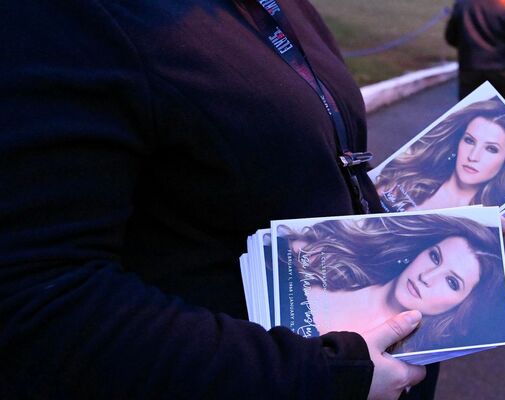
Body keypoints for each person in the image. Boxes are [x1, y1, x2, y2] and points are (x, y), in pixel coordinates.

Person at [0, 1, 432, 399]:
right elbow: (39, 304)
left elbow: (304, 164)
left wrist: (409, 215)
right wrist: (325, 375)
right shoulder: (62, 18)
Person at [278, 214, 505, 354]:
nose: (427, 277)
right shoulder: (332, 253)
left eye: (452, 282)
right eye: (435, 257)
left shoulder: (400, 369)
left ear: (462, 306)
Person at [374, 97, 505, 211]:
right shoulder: (407, 178)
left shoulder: (485, 221)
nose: (473, 156)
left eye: (491, 149)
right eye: (469, 141)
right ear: (458, 142)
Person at [445, 0, 505, 100]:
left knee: (470, 106)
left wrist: (467, 47)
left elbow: (451, 36)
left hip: (470, 65)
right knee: (497, 105)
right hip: (500, 66)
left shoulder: (463, 4)